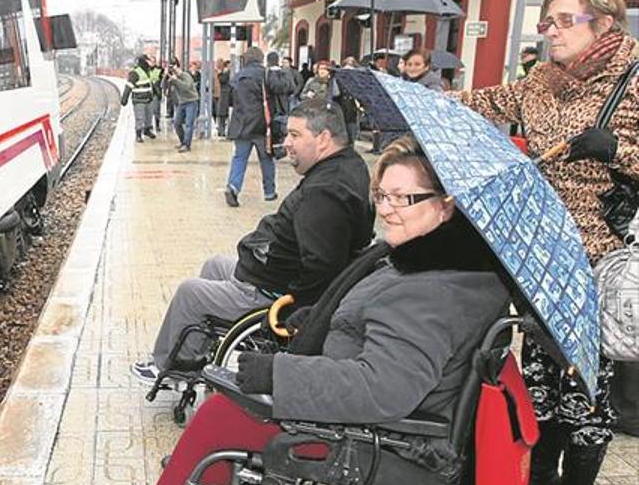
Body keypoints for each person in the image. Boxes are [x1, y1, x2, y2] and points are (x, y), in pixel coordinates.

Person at [155, 136, 511, 485]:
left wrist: (278, 374)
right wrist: (318, 319)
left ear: (446, 205)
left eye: (402, 198)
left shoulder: (431, 293)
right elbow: (377, 323)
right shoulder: (432, 263)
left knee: (223, 414)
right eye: (382, 196)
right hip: (368, 424)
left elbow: (382, 389)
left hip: (375, 443)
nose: (386, 209)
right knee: (222, 412)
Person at [453, 0, 638, 483]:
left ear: (602, 23)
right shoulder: (540, 80)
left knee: (585, 399)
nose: (550, 30)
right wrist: (415, 99)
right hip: (541, 258)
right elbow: (484, 101)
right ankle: (539, 477)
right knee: (541, 389)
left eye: (562, 20)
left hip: (597, 263)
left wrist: (617, 150)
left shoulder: (635, 79)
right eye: (545, 21)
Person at [131, 98, 375, 384]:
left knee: (190, 292)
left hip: (270, 291)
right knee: (215, 265)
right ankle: (195, 352)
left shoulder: (325, 193)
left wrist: (292, 309)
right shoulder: (348, 164)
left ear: (323, 139)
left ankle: (171, 367)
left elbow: (321, 265)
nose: (286, 143)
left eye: (295, 135)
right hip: (269, 273)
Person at [224, 47, 276, 206]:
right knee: (266, 159)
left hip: (241, 125)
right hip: (262, 125)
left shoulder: (237, 77)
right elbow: (282, 89)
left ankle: (233, 187)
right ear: (261, 59)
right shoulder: (265, 74)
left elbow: (230, 101)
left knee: (239, 158)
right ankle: (269, 192)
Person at [265, 52, 295, 159]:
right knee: (281, 130)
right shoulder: (285, 73)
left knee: (272, 130)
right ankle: (280, 149)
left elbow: (270, 88)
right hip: (284, 106)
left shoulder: (267, 74)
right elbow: (292, 88)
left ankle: (272, 150)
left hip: (271, 107)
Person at [167, 60, 200, 153]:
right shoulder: (174, 78)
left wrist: (176, 80)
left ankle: (187, 145)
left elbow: (185, 87)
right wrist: (167, 77)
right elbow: (165, 85)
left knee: (189, 124)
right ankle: (183, 142)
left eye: (175, 69)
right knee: (177, 123)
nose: (174, 72)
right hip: (182, 102)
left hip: (191, 102)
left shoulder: (186, 76)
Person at [121, 54, 156, 142]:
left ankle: (147, 131)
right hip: (139, 99)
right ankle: (138, 134)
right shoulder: (135, 72)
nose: (150, 62)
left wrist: (156, 92)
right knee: (140, 117)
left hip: (149, 98)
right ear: (144, 61)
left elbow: (150, 83)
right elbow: (128, 86)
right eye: (148, 60)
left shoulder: (147, 71)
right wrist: (124, 99)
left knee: (149, 116)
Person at [216, 60, 232, 138]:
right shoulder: (224, 74)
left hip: (229, 96)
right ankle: (221, 131)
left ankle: (224, 131)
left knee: (226, 114)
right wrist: (221, 73)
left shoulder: (229, 74)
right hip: (225, 96)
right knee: (222, 114)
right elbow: (222, 80)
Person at [148, 55, 163, 132]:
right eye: (151, 61)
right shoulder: (146, 70)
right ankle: (149, 125)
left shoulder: (159, 70)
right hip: (148, 92)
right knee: (148, 110)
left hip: (156, 92)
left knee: (156, 109)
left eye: (153, 61)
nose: (152, 63)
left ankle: (157, 125)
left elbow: (163, 79)